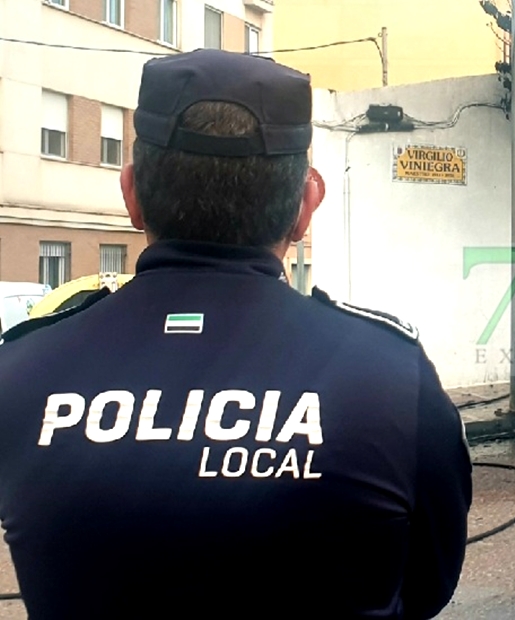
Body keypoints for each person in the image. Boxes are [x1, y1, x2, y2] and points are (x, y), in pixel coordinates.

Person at [0, 50, 472, 619]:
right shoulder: (392, 376)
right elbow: (426, 587)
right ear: (306, 207)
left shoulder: (22, 372)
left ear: (130, 195)